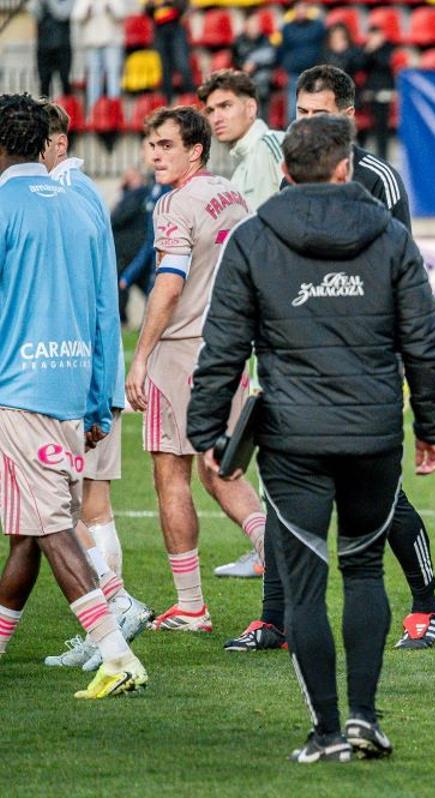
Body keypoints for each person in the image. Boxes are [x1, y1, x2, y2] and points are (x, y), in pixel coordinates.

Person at [188, 114, 435, 762]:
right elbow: (424, 342)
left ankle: (326, 731)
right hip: (372, 434)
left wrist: (204, 429)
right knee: (364, 572)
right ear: (344, 169)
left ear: (283, 172)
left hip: (292, 441)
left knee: (305, 584)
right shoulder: (389, 236)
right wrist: (432, 427)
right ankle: (364, 719)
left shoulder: (252, 238)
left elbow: (222, 347)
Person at [233, 63, 435, 653]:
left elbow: (405, 277)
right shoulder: (292, 178)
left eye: (318, 113)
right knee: (281, 493)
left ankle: (428, 604)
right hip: (296, 363)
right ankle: (273, 619)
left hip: (361, 366)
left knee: (382, 499)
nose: (306, 124)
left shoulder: (379, 178)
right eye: (300, 113)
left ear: (349, 116)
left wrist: (402, 364)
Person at [0, 93, 146, 699]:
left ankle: (117, 654)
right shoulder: (85, 206)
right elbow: (100, 309)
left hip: (18, 392)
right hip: (70, 390)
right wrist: (96, 400)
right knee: (30, 529)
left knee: (52, 528)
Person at [125, 106, 268, 633]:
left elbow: (169, 284)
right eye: (152, 144)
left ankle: (190, 605)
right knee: (221, 468)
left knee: (172, 476)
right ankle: (276, 553)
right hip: (228, 349)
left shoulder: (174, 204)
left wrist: (141, 356)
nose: (155, 154)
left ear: (195, 152)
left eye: (166, 145)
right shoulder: (231, 195)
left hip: (181, 353)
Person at [38, 101, 153, 672]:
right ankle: (112, 614)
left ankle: (115, 608)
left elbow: (85, 294)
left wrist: (93, 387)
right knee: (87, 503)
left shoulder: (67, 196)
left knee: (68, 507)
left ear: (58, 143)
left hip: (79, 371)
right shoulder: (78, 194)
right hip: (90, 368)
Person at [199, 69, 285, 212]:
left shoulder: (274, 145)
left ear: (251, 108)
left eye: (225, 106)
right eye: (210, 111)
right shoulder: (238, 174)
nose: (216, 119)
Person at [110, 167, 152, 325]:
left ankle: (123, 320)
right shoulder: (139, 195)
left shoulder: (137, 195)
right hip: (131, 250)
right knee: (136, 285)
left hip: (129, 251)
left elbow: (116, 218)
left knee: (124, 284)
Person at [72, 0, 130, 112]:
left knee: (113, 75)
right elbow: (76, 16)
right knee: (94, 77)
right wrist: (88, 9)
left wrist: (110, 7)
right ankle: (94, 111)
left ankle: (114, 110)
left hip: (112, 42)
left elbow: (122, 14)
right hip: (92, 43)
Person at [279, 0, 326, 123]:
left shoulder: (318, 26)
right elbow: (282, 50)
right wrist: (285, 65)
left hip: (314, 73)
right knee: (292, 110)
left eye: (304, 8)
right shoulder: (287, 28)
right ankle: (291, 137)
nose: (301, 11)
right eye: (298, 8)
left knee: (315, 107)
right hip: (294, 73)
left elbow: (324, 46)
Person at [359, 25, 397, 160]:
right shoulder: (365, 49)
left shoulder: (388, 47)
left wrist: (375, 49)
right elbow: (360, 65)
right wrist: (369, 50)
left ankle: (383, 156)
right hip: (370, 90)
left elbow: (385, 63)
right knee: (367, 125)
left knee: (382, 126)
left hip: (385, 90)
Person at [146, 0, 193, 100]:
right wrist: (152, 5)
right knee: (164, 67)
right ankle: (168, 100)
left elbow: (184, 6)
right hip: (159, 29)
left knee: (182, 63)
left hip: (176, 27)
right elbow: (147, 11)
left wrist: (168, 2)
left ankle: (191, 97)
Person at [232, 12, 276, 117]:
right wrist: (243, 65)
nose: (255, 28)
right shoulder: (239, 41)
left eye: (256, 25)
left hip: (263, 81)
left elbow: (271, 59)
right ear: (246, 26)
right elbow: (235, 59)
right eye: (252, 25)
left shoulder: (265, 39)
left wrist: (255, 64)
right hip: (246, 79)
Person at [31, 0, 74, 99]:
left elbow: (62, 14)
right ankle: (44, 111)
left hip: (62, 47)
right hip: (44, 47)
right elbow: (34, 13)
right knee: (44, 83)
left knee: (65, 81)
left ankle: (66, 111)